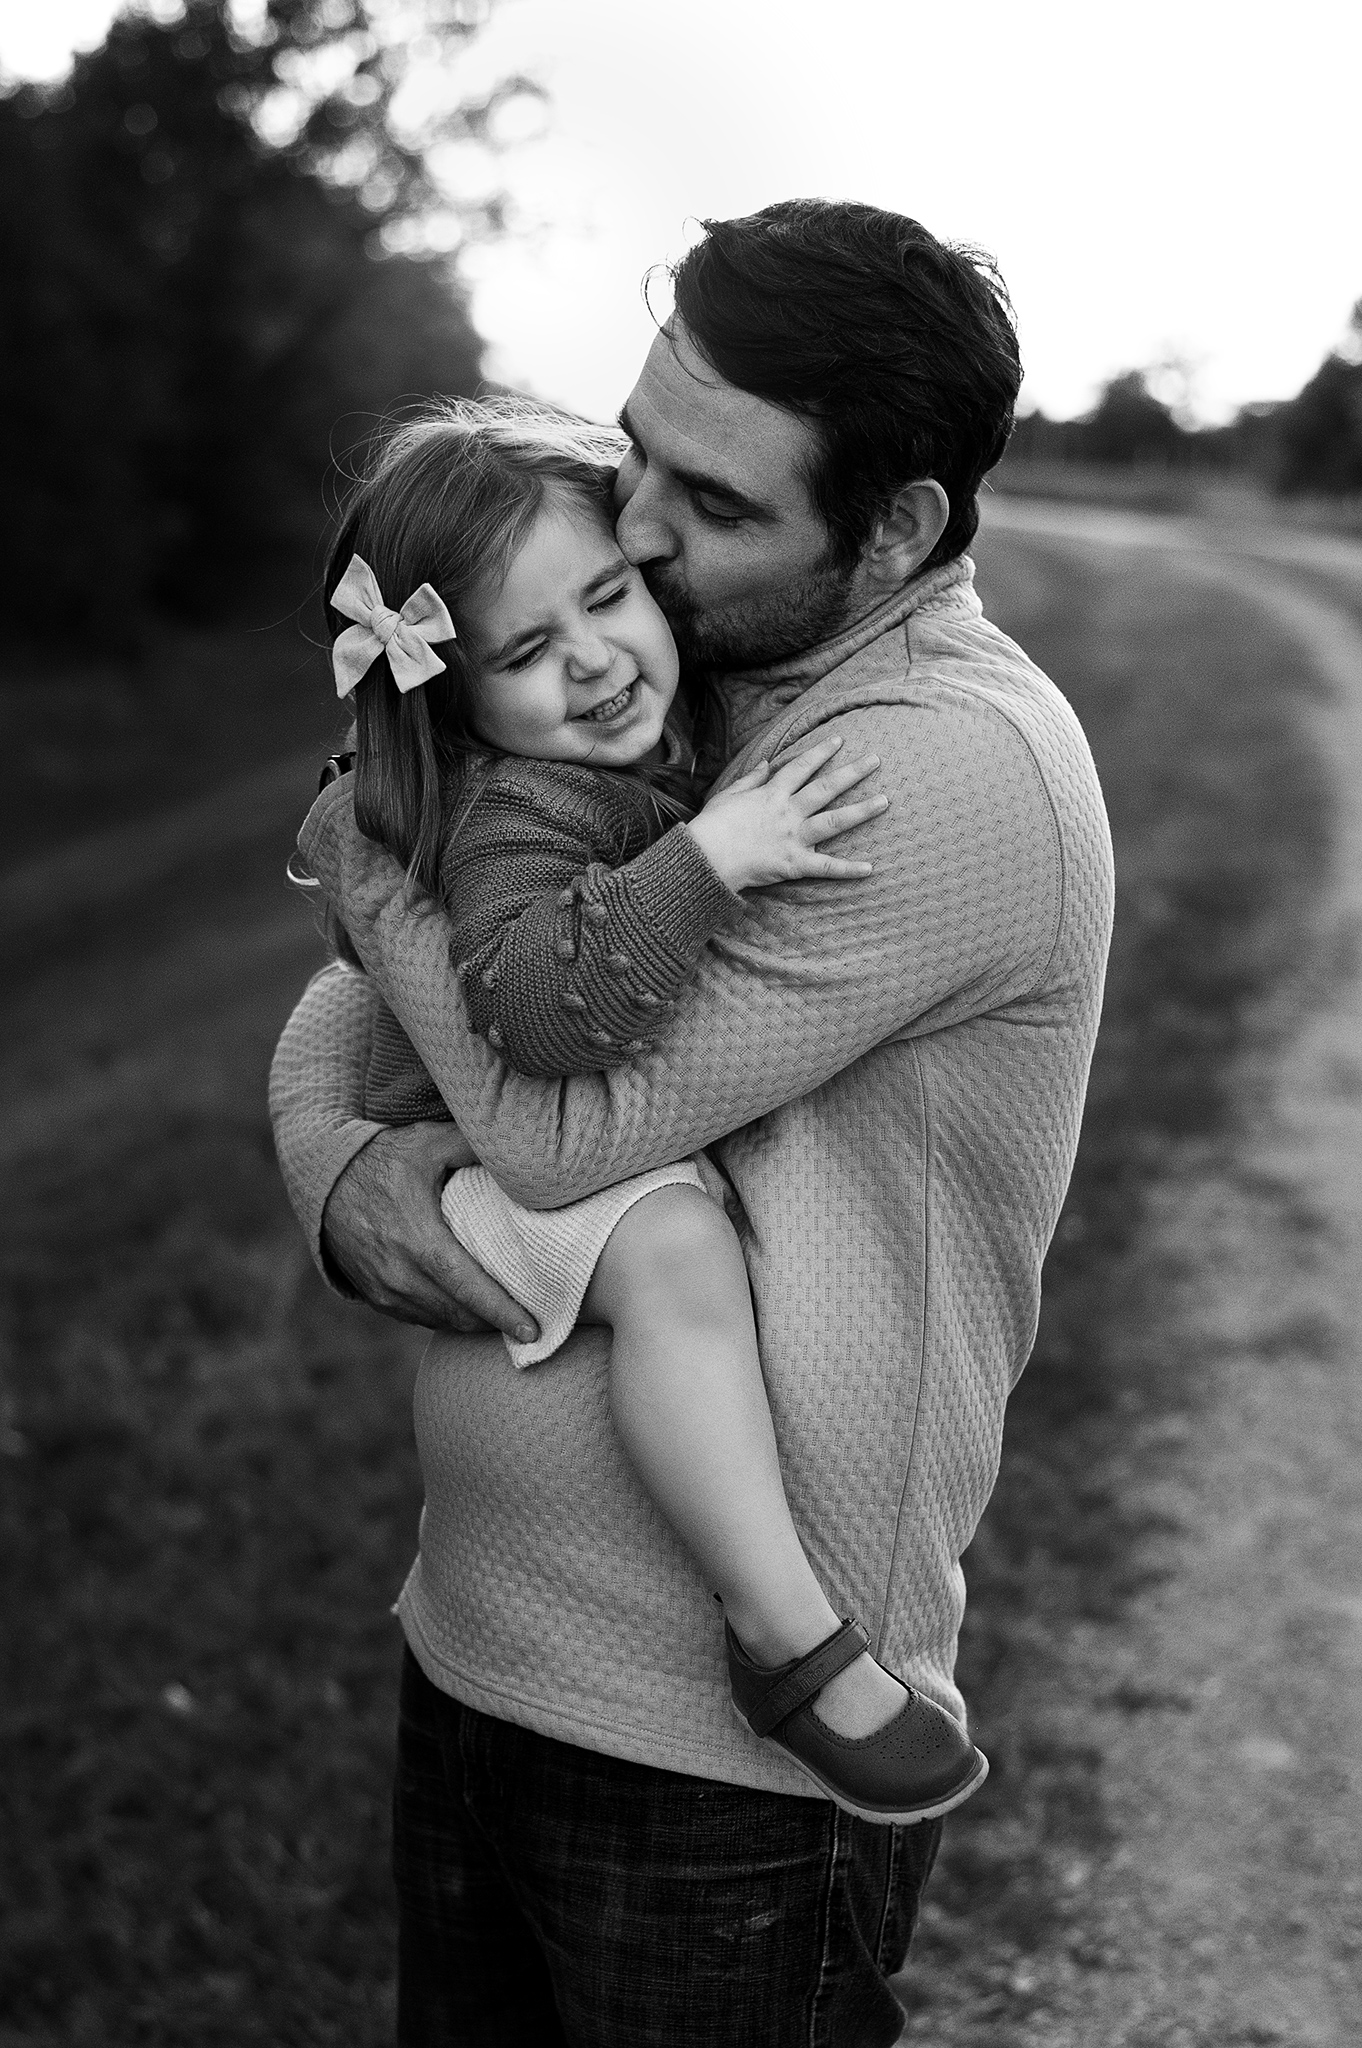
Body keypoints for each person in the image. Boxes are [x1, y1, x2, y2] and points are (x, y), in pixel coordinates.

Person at [271, 199, 1114, 2047]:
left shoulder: (929, 766)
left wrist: (370, 843)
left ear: (892, 528)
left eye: (715, 506)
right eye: (641, 454)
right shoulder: (692, 674)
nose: (637, 534)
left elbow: (555, 1128)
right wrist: (339, 1174)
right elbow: (371, 1008)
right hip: (481, 1639)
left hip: (711, 1766)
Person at [301, 398, 987, 1825]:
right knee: (675, 1255)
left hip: (504, 1155)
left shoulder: (658, 735)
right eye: (526, 654)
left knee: (679, 1242)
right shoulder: (529, 813)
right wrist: (713, 863)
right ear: (456, 700)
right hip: (479, 1154)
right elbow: (541, 1020)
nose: (597, 659)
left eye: (608, 597)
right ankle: (785, 1639)